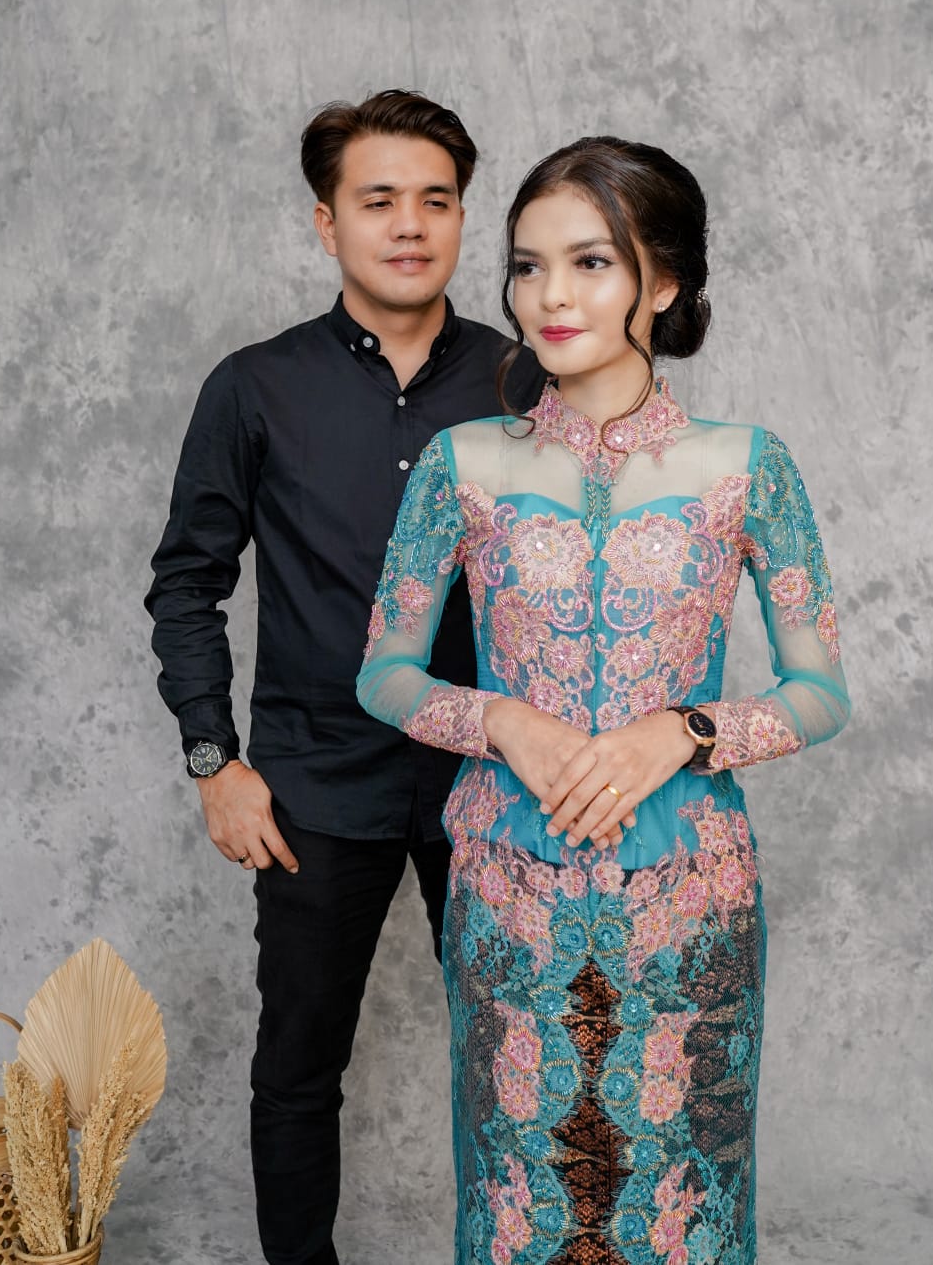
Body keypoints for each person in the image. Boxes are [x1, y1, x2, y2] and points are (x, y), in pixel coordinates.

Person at [357, 136, 850, 1265]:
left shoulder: (747, 466)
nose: (550, 297)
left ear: (661, 282)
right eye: (528, 267)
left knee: (680, 1203)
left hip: (688, 896)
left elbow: (821, 694)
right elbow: (383, 673)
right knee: (518, 1196)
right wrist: (502, 721)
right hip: (509, 890)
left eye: (590, 263)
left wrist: (684, 732)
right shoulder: (462, 464)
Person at [144, 89, 545, 1265]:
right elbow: (186, 584)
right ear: (327, 222)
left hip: (496, 788)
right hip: (315, 788)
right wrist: (215, 765)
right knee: (297, 1067)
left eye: (436, 200)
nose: (408, 224)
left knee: (526, 1061)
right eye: (378, 201)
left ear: (464, 218)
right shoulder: (255, 386)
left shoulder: (529, 386)